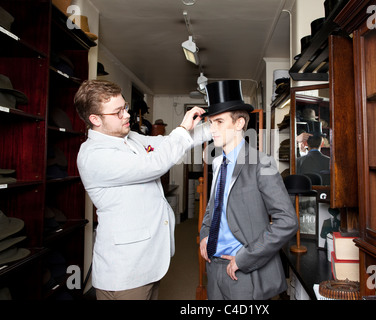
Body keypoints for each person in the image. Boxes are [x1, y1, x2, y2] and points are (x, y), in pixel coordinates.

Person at [74, 79, 211, 300]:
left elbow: (168, 143)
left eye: (125, 107)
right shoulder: (94, 155)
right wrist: (183, 128)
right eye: (118, 112)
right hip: (126, 271)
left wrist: (214, 126)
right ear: (95, 119)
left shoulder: (129, 139)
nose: (126, 115)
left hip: (146, 262)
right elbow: (156, 164)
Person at [199, 80, 298, 300]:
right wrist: (205, 234)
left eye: (219, 122)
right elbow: (213, 207)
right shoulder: (217, 163)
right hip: (213, 267)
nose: (212, 129)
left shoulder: (261, 163)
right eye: (210, 123)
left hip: (243, 271)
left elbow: (287, 221)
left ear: (239, 123)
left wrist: (245, 259)